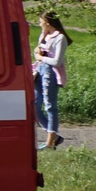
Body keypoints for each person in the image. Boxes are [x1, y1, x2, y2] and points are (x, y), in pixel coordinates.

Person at [33, 12, 69, 149]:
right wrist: (37, 54)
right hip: (40, 71)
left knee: (50, 105)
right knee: (34, 106)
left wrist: (41, 58)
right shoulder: (44, 36)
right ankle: (55, 136)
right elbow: (37, 54)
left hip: (50, 73)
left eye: (40, 21)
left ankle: (50, 142)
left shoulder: (60, 38)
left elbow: (57, 61)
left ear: (47, 22)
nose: (39, 24)